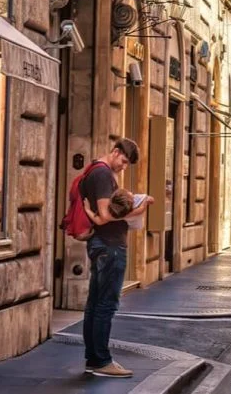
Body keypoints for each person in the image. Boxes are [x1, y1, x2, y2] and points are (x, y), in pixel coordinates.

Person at [80, 139, 149, 378]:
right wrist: (139, 209)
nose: (123, 167)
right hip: (110, 247)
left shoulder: (97, 171)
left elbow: (101, 214)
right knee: (105, 305)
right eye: (123, 161)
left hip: (102, 244)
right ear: (115, 152)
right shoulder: (101, 174)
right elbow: (105, 214)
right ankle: (100, 361)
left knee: (96, 303)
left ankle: (94, 358)